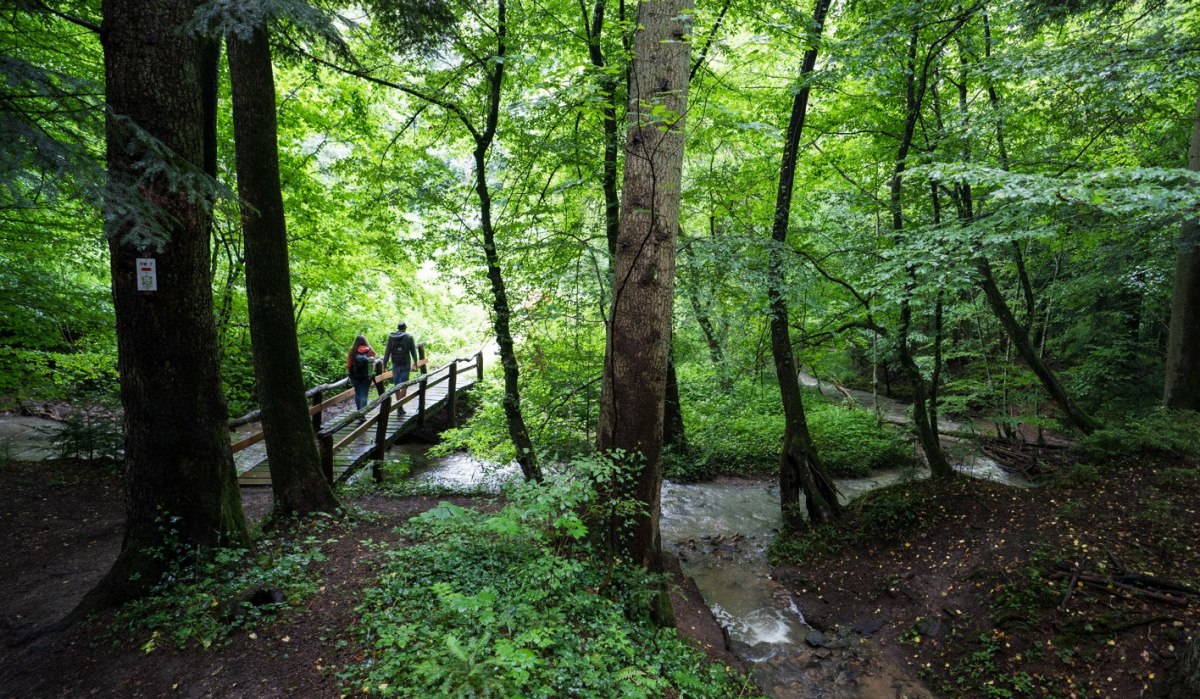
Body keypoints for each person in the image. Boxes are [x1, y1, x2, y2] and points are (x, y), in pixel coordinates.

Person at [383, 322, 419, 412]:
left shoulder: (391, 337)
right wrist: (415, 362)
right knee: (404, 384)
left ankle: (398, 405)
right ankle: (400, 405)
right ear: (405, 328)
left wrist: (384, 364)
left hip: (395, 363)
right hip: (405, 363)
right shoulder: (409, 337)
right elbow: (413, 351)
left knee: (396, 385)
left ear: (397, 328)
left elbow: (387, 352)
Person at [346, 334, 376, 412]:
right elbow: (373, 361)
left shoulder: (352, 351)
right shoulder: (370, 350)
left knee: (358, 393)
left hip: (355, 376)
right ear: (365, 341)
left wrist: (350, 374)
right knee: (364, 394)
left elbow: (349, 365)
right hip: (367, 376)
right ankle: (362, 414)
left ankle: (359, 412)